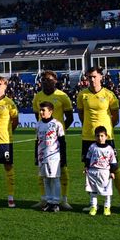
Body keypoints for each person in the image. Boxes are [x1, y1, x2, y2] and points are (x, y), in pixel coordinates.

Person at [77, 67, 120, 213]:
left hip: (107, 139)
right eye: (89, 77)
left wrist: (106, 133)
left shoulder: (109, 95)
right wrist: (89, 129)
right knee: (90, 171)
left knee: (115, 169)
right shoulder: (82, 95)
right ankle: (93, 203)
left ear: (101, 77)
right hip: (88, 138)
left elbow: (116, 117)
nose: (91, 79)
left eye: (94, 76)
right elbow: (81, 115)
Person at [32, 71, 74, 209]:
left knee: (62, 171)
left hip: (56, 142)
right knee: (42, 175)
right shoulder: (37, 96)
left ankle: (63, 200)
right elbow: (36, 116)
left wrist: (59, 132)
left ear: (55, 81)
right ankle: (45, 199)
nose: (46, 82)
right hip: (43, 143)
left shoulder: (62, 96)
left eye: (49, 80)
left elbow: (70, 117)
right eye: (44, 80)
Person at [0, 76, 21, 208]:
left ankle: (10, 197)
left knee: (8, 167)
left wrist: (7, 132)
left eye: (0, 84)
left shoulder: (9, 103)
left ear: (5, 86)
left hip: (5, 141)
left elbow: (15, 120)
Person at [35, 101, 66, 212]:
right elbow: (37, 141)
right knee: (46, 179)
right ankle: (49, 201)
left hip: (54, 156)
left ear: (50, 111)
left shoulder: (57, 124)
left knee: (55, 179)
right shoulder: (38, 124)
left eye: (43, 110)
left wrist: (63, 158)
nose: (41, 112)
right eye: (40, 110)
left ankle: (56, 202)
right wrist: (35, 156)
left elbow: (62, 142)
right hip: (41, 156)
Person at [84, 127, 117, 216]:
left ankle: (107, 207)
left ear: (106, 136)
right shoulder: (92, 147)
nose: (100, 138)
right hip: (93, 171)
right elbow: (87, 158)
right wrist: (86, 167)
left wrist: (112, 172)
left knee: (107, 191)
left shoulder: (109, 148)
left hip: (105, 172)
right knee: (92, 190)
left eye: (102, 136)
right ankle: (93, 207)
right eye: (98, 136)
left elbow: (113, 161)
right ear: (95, 137)